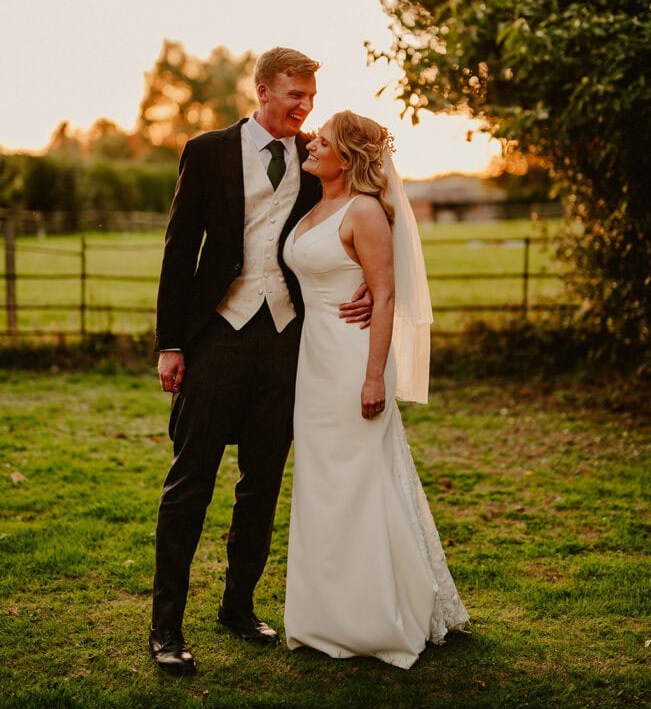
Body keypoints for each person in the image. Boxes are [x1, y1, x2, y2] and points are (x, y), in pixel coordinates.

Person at [149, 48, 372, 675]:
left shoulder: (314, 161)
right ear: (264, 89)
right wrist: (171, 342)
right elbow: (176, 253)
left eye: (311, 98)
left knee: (263, 481)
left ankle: (238, 607)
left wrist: (365, 283)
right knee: (191, 479)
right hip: (216, 335)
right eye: (294, 95)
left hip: (286, 340)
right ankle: (165, 627)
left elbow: (354, 221)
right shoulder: (208, 151)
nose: (305, 108)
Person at [283, 111, 469, 669]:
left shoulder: (363, 210)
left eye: (324, 141)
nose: (311, 143)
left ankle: (377, 614)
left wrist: (372, 375)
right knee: (322, 483)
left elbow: (385, 296)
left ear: (350, 156)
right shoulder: (313, 206)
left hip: (352, 359)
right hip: (312, 361)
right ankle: (322, 614)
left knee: (361, 478)